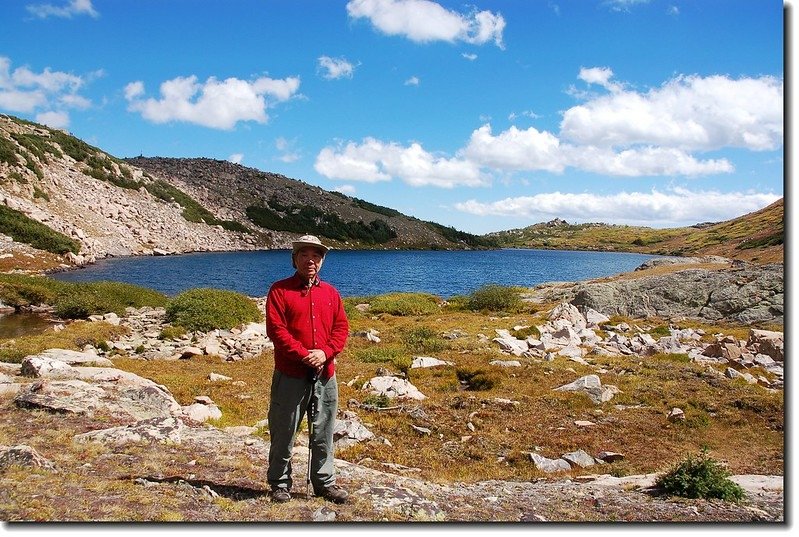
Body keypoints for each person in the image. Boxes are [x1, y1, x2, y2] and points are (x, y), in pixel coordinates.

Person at [265, 234, 349, 504]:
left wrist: (325, 352)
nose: (310, 260)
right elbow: (277, 331)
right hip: (291, 374)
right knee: (284, 430)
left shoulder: (331, 293)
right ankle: (280, 483)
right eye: (304, 255)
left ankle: (324, 483)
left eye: (316, 255)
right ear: (294, 259)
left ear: (322, 261)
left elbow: (341, 328)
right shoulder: (279, 291)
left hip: (325, 375)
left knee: (324, 431)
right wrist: (305, 355)